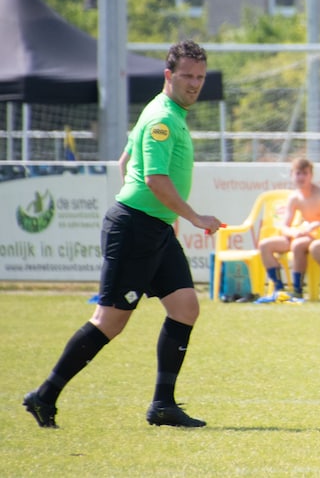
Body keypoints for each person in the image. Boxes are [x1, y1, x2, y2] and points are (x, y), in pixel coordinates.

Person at [22, 40, 223, 429]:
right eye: (187, 76)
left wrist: (161, 214)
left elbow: (124, 161)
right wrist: (193, 216)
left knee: (185, 307)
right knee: (109, 320)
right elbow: (154, 178)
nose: (195, 84)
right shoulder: (163, 119)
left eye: (200, 77)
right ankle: (44, 395)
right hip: (135, 229)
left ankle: (163, 405)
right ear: (169, 75)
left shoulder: (162, 110)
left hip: (152, 226)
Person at [254, 157, 320, 302]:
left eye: (305, 173)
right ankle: (279, 291)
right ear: (292, 175)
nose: (301, 177)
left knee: (297, 245)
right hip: (301, 235)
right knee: (265, 245)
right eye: (298, 173)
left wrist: (318, 224)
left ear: (311, 175)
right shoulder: (294, 198)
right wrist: (293, 232)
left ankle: (297, 290)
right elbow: (284, 226)